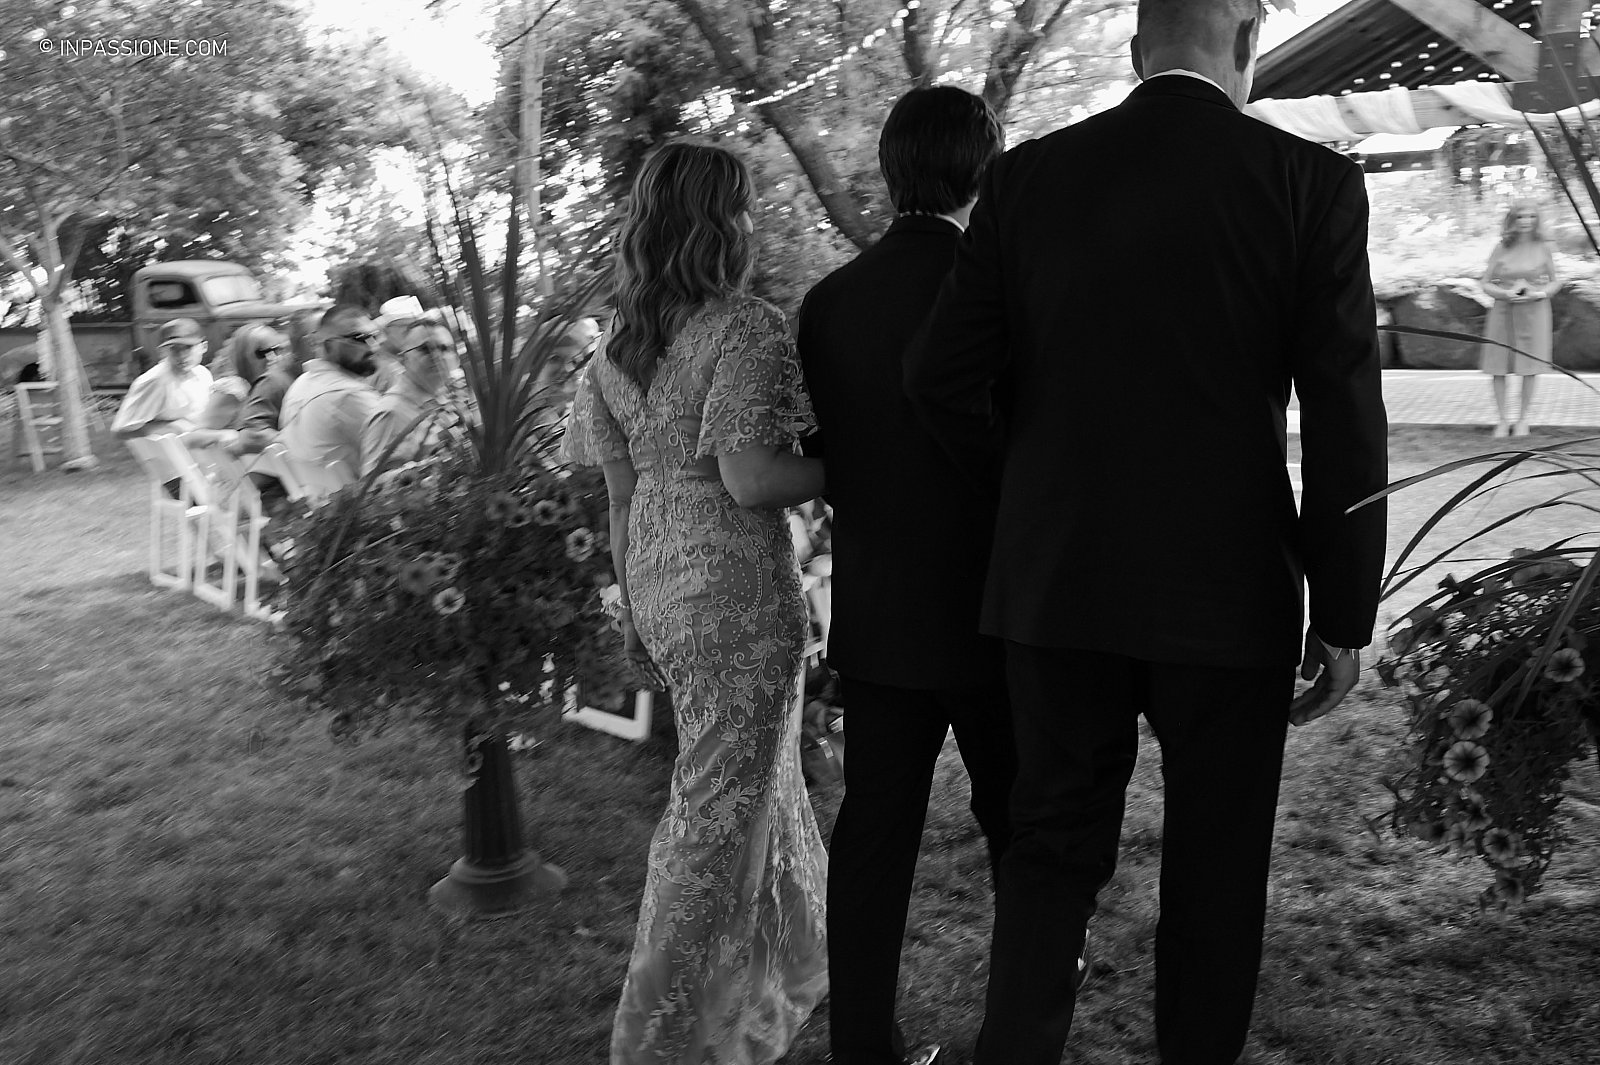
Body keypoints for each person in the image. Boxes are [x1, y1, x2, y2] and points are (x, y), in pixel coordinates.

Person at [904, 2, 1390, 1062]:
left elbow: (938, 376)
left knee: (1048, 850)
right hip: (1229, 589)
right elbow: (1345, 413)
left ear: (1137, 52)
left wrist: (1027, 489)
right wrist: (1344, 608)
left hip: (1058, 579)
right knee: (1218, 865)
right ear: (1247, 45)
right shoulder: (1309, 183)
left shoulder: (1026, 178)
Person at [560, 141, 828, 1065]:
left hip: (661, 583)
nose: (751, 223)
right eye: (743, 206)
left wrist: (635, 607)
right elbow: (752, 479)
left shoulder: (614, 347)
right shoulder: (744, 327)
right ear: (720, 222)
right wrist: (863, 464)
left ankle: (762, 984)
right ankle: (661, 1037)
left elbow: (620, 497)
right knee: (713, 815)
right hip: (735, 590)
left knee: (752, 787)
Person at [796, 86, 1014, 1065]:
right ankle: (1020, 1026)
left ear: (891, 174)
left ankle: (860, 1045)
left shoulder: (830, 302)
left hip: (880, 608)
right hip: (994, 609)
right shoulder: (1003, 284)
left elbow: (827, 449)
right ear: (984, 170)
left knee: (874, 838)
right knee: (1019, 828)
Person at [1480, 200, 1560, 437]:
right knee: (1498, 365)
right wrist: (1505, 294)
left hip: (1535, 311)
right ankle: (1503, 420)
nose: (1526, 221)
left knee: (1529, 366)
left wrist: (1539, 294)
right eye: (1521, 216)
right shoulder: (1501, 247)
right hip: (1503, 311)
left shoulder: (1544, 247)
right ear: (1512, 220)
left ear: (1537, 220)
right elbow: (1485, 283)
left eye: (1531, 216)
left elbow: (1555, 281)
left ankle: (1523, 419)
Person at [277, 305, 382, 485]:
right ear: (328, 345)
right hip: (361, 497)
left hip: (319, 497)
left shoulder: (299, 385)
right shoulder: (349, 395)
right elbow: (401, 451)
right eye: (359, 338)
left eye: (375, 336)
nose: (373, 346)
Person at [359, 318, 456, 477]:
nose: (438, 355)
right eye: (426, 349)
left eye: (445, 348)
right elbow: (372, 482)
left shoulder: (447, 399)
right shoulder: (390, 412)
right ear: (404, 359)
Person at [112, 318, 212, 438]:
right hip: (168, 448)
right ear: (163, 352)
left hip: (199, 444)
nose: (182, 356)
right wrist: (171, 426)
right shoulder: (155, 380)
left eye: (188, 348)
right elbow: (120, 431)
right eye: (174, 349)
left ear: (204, 347)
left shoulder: (203, 373)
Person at [373, 295, 425, 394]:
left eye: (418, 325)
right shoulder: (379, 366)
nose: (415, 332)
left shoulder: (402, 356)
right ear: (387, 330)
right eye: (409, 327)